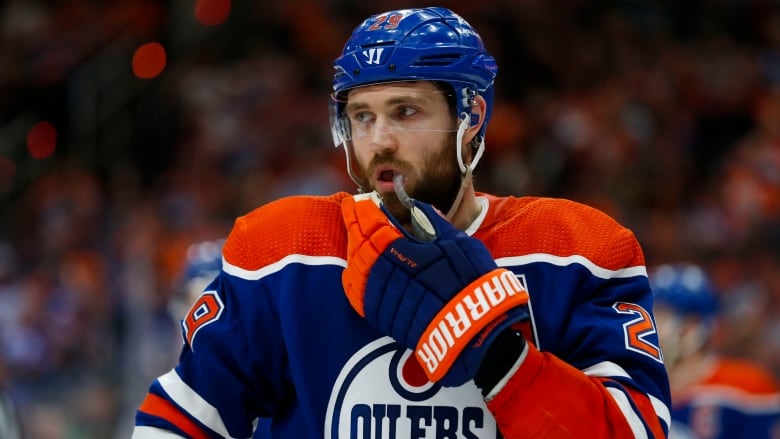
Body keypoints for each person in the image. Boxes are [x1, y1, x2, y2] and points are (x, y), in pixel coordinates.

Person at [132, 7, 671, 438]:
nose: (379, 139)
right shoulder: (286, 251)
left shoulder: (572, 251)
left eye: (406, 111)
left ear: (471, 118)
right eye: (363, 116)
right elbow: (178, 423)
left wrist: (501, 360)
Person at [650, 263, 780, 439]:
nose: (648, 326)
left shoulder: (747, 386)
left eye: (662, 315)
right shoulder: (634, 388)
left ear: (692, 326)